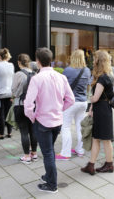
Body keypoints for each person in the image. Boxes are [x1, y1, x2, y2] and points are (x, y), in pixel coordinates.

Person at [24, 47, 74, 193]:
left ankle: (52, 184)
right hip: (57, 121)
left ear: (37, 61)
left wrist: (33, 117)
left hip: (43, 121)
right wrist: (59, 110)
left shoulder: (37, 79)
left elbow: (28, 105)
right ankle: (48, 176)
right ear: (50, 60)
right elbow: (70, 100)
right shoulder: (61, 77)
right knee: (49, 151)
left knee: (47, 153)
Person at [81, 50, 114, 175]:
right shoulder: (106, 76)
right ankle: (91, 164)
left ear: (99, 61)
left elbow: (95, 98)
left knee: (105, 139)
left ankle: (109, 164)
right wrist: (91, 109)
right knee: (97, 138)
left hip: (102, 110)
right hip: (102, 109)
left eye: (95, 58)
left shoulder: (103, 78)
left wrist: (89, 98)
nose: (93, 60)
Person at [56, 49, 91, 160]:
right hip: (83, 102)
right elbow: (88, 86)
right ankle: (80, 150)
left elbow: (62, 87)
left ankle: (65, 153)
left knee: (65, 127)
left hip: (70, 103)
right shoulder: (87, 70)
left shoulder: (68, 70)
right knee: (79, 127)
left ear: (72, 57)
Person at [12, 54, 38, 164]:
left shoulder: (18, 74)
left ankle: (27, 156)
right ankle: (34, 153)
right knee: (33, 130)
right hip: (33, 105)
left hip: (20, 105)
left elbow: (13, 90)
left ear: (19, 62)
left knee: (24, 131)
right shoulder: (35, 73)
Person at [0, 48, 14, 139]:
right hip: (9, 92)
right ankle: (9, 132)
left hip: (0, 92)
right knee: (9, 112)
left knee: (1, 114)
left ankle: (1, 133)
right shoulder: (11, 65)